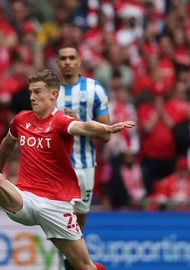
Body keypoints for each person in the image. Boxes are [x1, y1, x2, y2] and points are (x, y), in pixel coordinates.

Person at [0, 70, 134, 270]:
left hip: (56, 205)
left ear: (53, 94)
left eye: (37, 92)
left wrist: (105, 128)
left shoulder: (60, 121)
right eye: (31, 92)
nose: (32, 97)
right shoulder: (22, 119)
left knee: (84, 266)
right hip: (26, 199)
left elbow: (84, 127)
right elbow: (7, 144)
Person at [55, 45, 111, 268]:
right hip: (57, 169)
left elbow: (106, 135)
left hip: (85, 167)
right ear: (57, 63)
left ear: (79, 61)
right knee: (59, 223)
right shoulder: (49, 92)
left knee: (77, 225)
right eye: (63, 58)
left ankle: (71, 264)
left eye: (71, 58)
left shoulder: (95, 89)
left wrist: (81, 124)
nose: (67, 62)